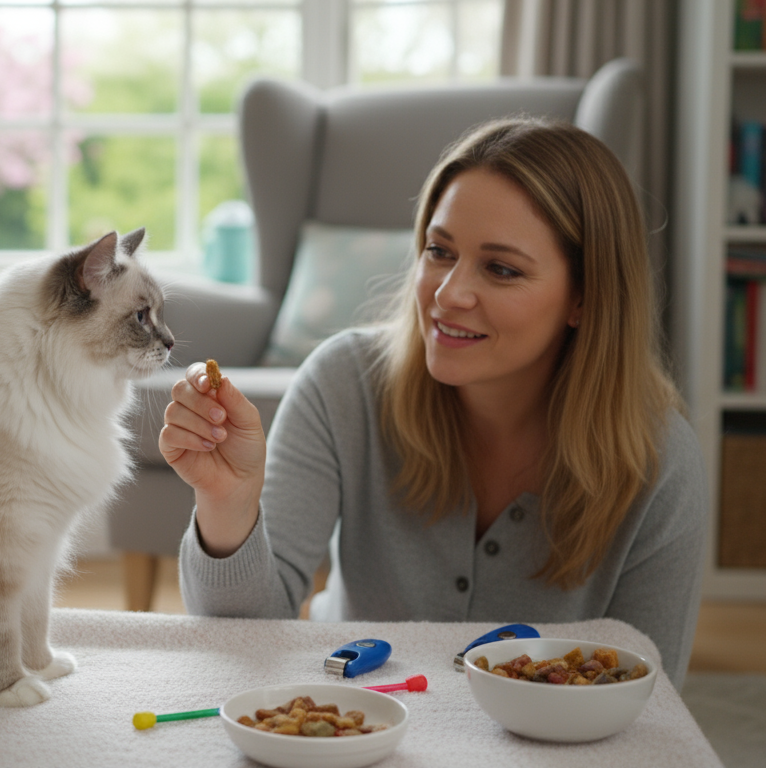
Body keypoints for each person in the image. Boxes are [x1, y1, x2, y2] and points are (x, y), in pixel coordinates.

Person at [157, 118, 708, 690]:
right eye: (439, 251)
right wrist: (228, 501)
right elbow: (238, 638)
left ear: (584, 298)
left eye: (500, 268)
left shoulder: (659, 461)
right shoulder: (343, 384)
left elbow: (648, 700)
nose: (447, 294)